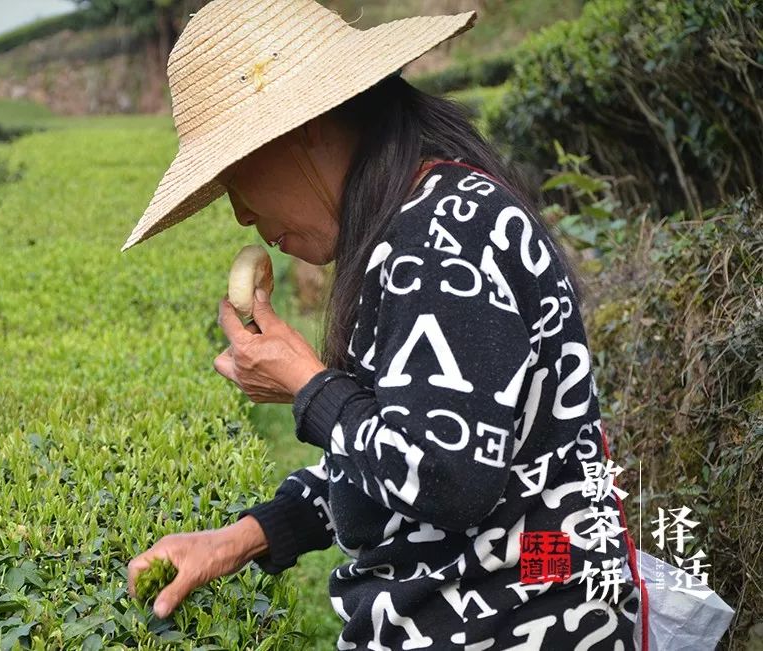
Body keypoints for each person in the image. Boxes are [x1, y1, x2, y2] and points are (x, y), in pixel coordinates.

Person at [122, 0, 643, 648]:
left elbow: (447, 476)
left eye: (236, 174)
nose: (240, 213)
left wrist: (310, 388)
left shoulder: (440, 237)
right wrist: (242, 537)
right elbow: (393, 444)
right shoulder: (418, 223)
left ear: (302, 128)